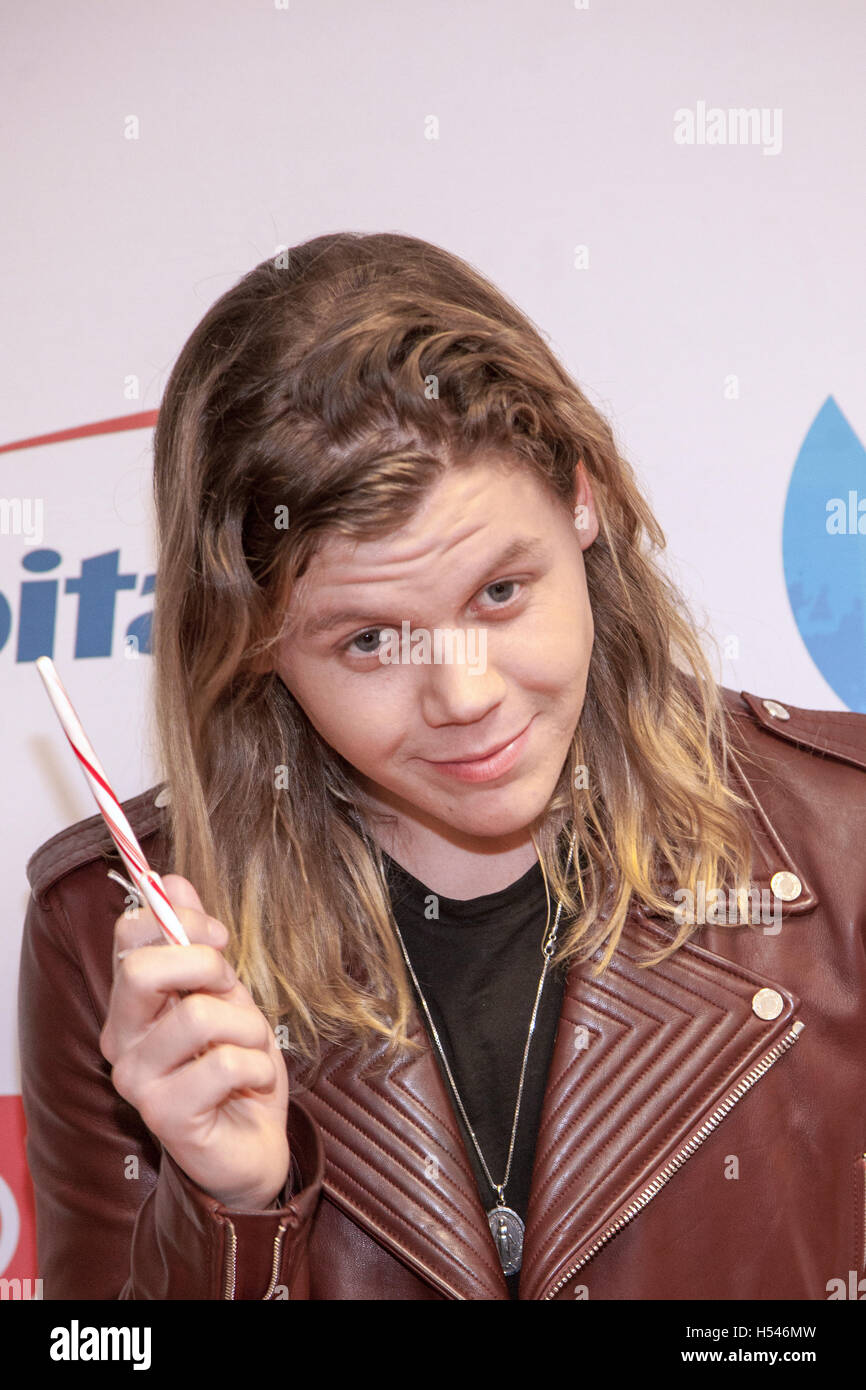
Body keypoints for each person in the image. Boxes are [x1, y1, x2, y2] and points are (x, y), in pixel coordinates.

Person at [18, 231, 866, 1301]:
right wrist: (230, 1215)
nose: (464, 697)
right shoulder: (114, 937)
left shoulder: (846, 836)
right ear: (251, 643)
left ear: (580, 500)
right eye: (371, 641)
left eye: (499, 594)